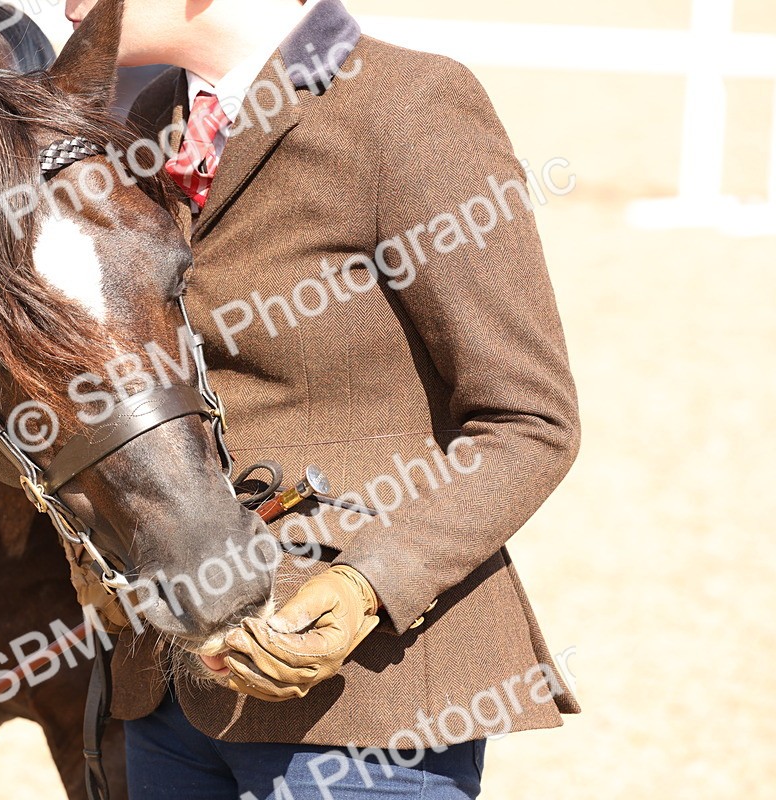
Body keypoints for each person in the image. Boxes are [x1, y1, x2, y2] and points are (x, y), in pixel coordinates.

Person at [63, 0, 581, 797]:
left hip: (361, 697)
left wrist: (368, 583)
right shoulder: (148, 121)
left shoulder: (411, 104)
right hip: (168, 691)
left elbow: (529, 420)